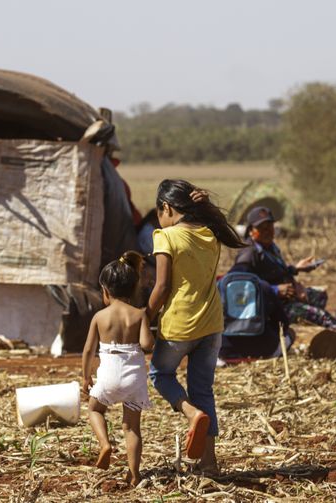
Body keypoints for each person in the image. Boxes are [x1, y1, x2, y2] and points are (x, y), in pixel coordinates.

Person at [146, 179, 245, 475]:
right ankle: (209, 464)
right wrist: (207, 209)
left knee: (160, 374)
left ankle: (191, 414)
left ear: (166, 207)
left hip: (179, 324)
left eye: (159, 212)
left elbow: (162, 287)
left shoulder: (165, 236)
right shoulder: (209, 232)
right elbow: (217, 224)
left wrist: (146, 314)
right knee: (203, 389)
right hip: (212, 324)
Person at [230, 206, 336, 355]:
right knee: (321, 315)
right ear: (252, 230)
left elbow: (272, 272)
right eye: (262, 228)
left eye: (270, 226)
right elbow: (239, 283)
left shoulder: (269, 247)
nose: (268, 231)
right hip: (272, 307)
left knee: (320, 297)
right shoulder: (248, 253)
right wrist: (275, 290)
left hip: (286, 297)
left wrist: (295, 271)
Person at [81, 251, 154, 486]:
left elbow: (88, 351)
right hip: (134, 377)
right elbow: (146, 345)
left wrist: (86, 377)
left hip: (109, 375)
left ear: (105, 291)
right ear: (133, 288)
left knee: (95, 410)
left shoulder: (100, 317)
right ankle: (134, 473)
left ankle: (105, 444)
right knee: (132, 427)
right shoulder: (140, 314)